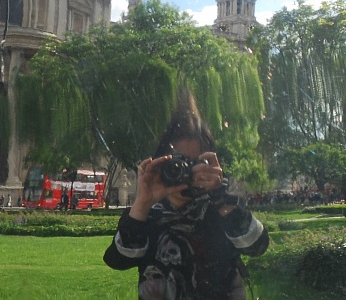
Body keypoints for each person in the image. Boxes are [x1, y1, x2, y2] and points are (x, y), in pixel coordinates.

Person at [103, 90, 269, 299]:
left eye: (194, 163)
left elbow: (257, 246)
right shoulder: (150, 216)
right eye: (176, 164)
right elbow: (118, 260)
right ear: (159, 165)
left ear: (211, 163)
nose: (185, 173)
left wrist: (220, 196)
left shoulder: (220, 210)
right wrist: (142, 203)